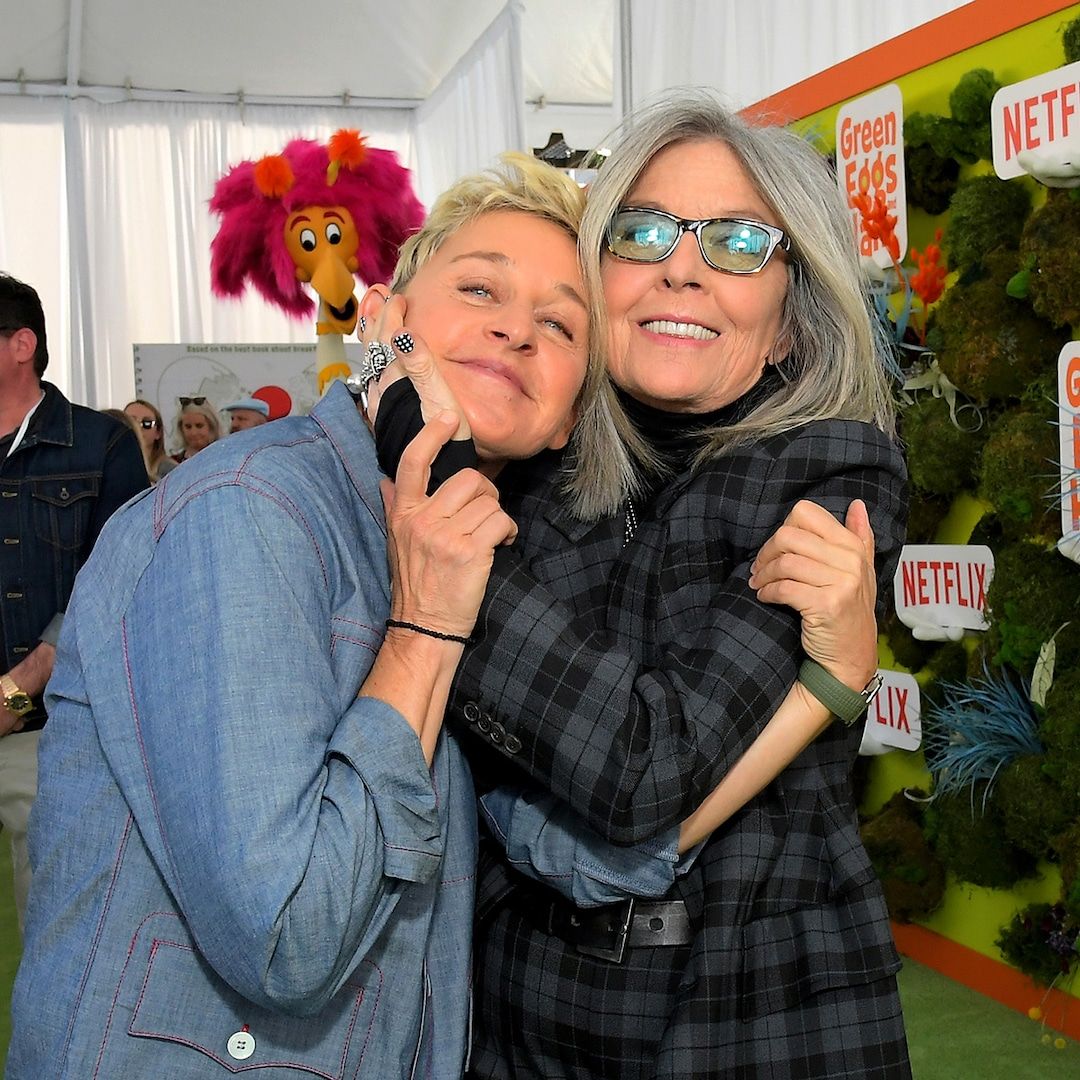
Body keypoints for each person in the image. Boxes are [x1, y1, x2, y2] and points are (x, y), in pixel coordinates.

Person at [10, 152, 877, 1080]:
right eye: (479, 289)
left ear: (570, 414)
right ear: (386, 316)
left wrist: (825, 690)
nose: (515, 329)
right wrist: (423, 632)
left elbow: (579, 856)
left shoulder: (483, 554)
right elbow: (287, 936)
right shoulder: (252, 510)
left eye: (559, 323)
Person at [414, 91, 910, 1079]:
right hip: (514, 1012)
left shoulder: (831, 471)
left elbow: (644, 770)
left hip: (753, 1016)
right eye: (643, 232)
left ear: (789, 324)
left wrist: (435, 526)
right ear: (596, 279)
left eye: (738, 243)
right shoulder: (535, 451)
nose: (682, 268)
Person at [0, 273, 148, 930]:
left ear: (21, 344)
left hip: (47, 731)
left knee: (56, 929)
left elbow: (114, 590)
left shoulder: (99, 446)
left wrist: (16, 694)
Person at [124, 397, 177, 481]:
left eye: (147, 423)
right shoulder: (113, 465)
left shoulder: (170, 470)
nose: (138, 427)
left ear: (158, 432)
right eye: (132, 422)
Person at [171, 396, 221, 461]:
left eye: (199, 426)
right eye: (188, 427)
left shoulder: (223, 458)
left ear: (211, 427)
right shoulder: (174, 463)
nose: (193, 433)